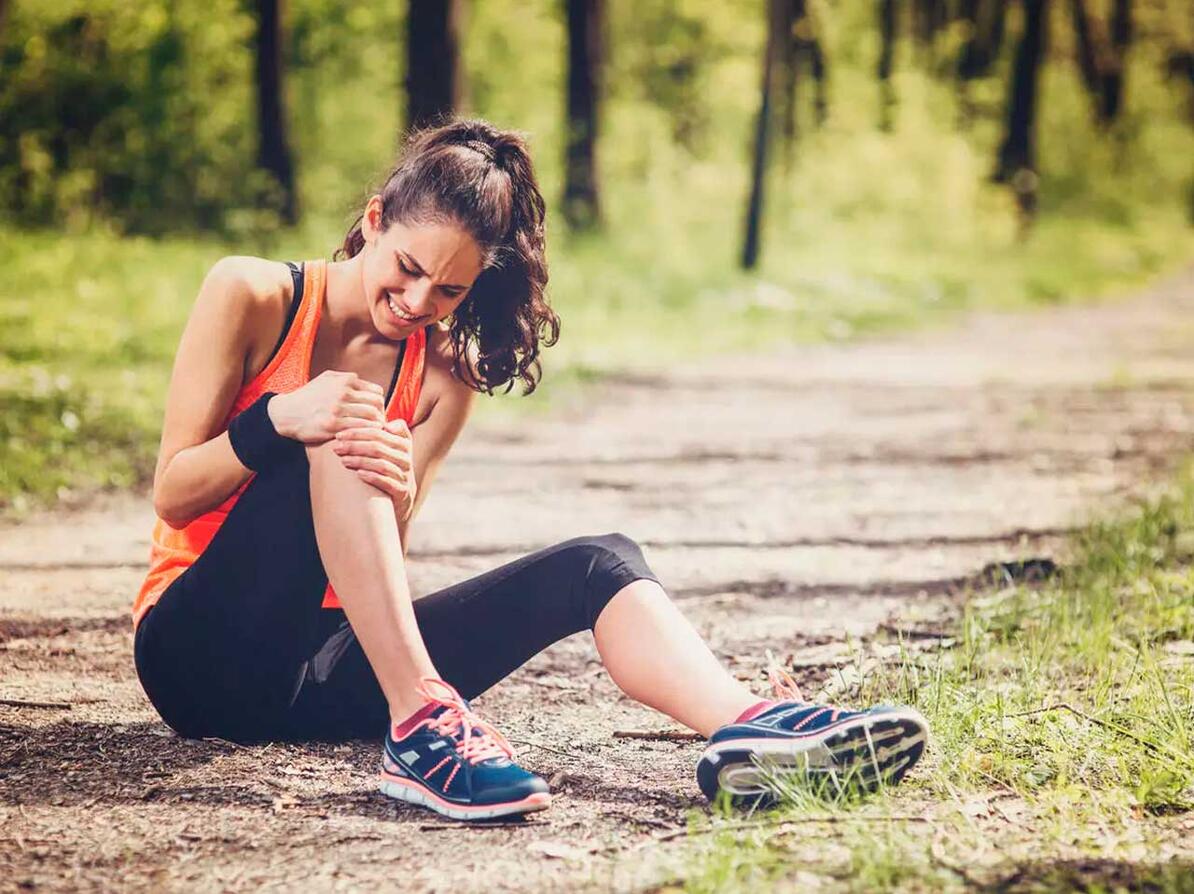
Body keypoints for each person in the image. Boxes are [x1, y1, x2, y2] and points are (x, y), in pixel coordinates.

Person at [132, 118, 928, 823]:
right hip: (195, 653)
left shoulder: (443, 375)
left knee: (598, 563)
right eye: (406, 268)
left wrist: (399, 492)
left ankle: (749, 726)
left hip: (315, 673)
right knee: (343, 427)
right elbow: (172, 492)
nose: (416, 301)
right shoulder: (254, 294)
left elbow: (369, 567)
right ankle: (422, 728)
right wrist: (276, 420)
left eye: (449, 290)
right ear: (373, 221)